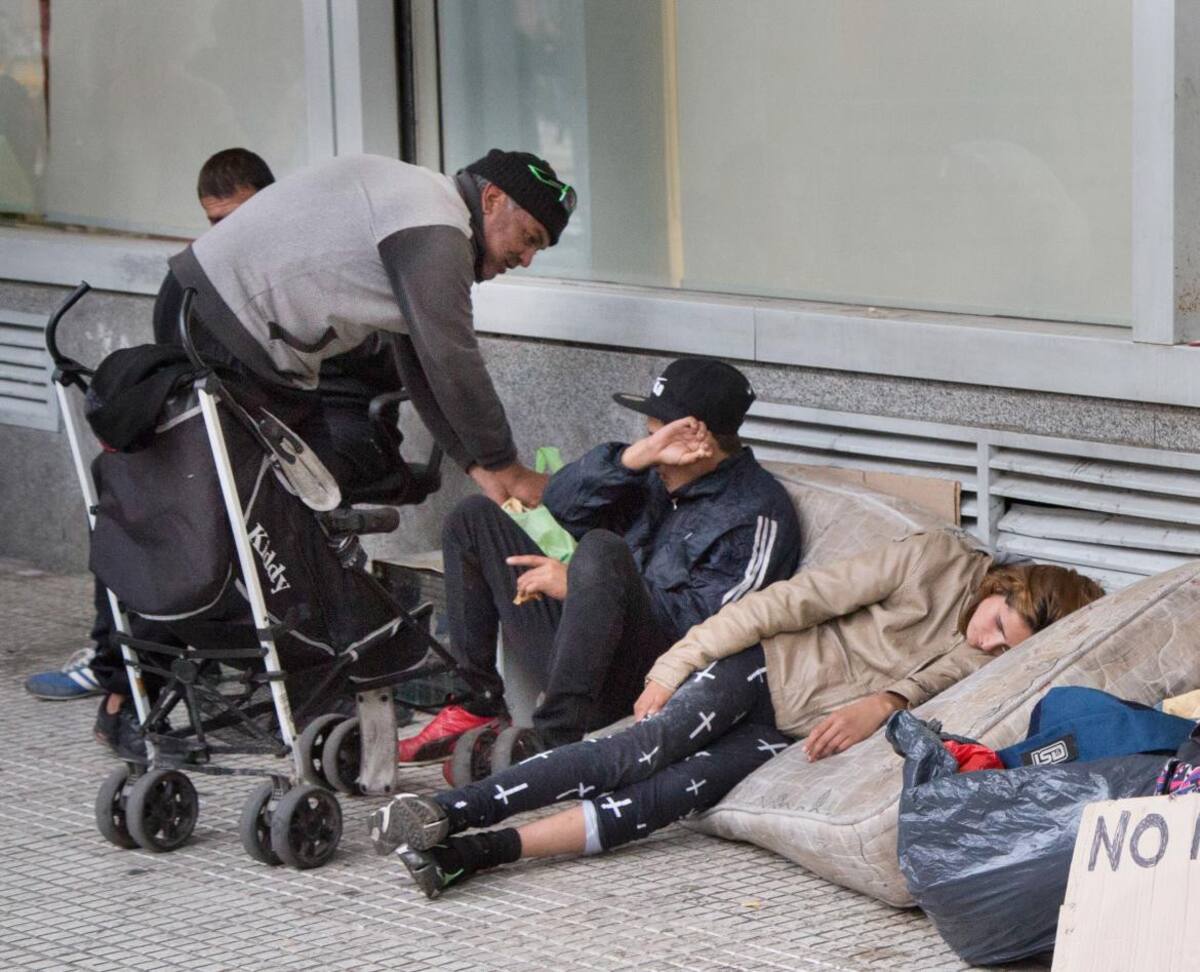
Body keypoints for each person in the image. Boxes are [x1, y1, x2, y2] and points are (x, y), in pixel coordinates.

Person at [369, 536, 1105, 899]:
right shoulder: (936, 561)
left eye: (1004, 646)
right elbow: (790, 602)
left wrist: (885, 701)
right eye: (998, 620)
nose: (987, 641)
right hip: (762, 670)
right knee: (640, 751)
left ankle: (479, 852)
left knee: (659, 801)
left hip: (781, 737)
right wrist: (677, 662)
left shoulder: (987, 662)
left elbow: (930, 683)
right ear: (1008, 585)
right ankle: (441, 810)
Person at [395, 358, 802, 770]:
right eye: (648, 439)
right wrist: (630, 458)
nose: (651, 451)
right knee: (473, 518)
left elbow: (717, 628)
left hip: (647, 678)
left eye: (656, 438)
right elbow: (557, 504)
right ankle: (475, 704)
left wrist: (586, 586)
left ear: (700, 439)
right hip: (579, 651)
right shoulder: (648, 477)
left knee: (601, 550)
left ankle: (554, 740)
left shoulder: (756, 512)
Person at [165, 148, 575, 508]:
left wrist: (476, 466)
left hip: (225, 321)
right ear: (492, 198)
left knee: (312, 496)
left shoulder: (424, 209)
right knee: (284, 504)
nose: (525, 259)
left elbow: (423, 364)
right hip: (218, 321)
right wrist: (508, 466)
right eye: (528, 238)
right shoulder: (437, 228)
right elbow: (452, 359)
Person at [24, 148, 281, 708]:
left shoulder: (297, 269)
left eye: (240, 218)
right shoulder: (195, 275)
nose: (227, 234)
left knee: (181, 497)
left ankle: (139, 666)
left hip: (279, 431)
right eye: (216, 222)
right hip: (219, 421)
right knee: (126, 481)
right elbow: (174, 369)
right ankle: (119, 660)